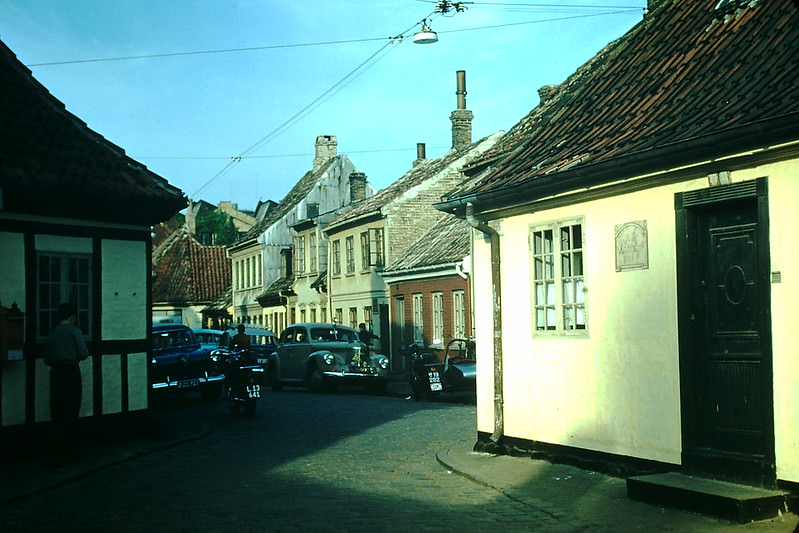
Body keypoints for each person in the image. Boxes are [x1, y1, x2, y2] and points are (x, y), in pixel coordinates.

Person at [45, 302, 89, 463]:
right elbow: (83, 354)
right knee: (71, 409)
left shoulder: (53, 333)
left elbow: (47, 359)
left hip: (56, 372)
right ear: (72, 316)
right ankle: (71, 449)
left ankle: (58, 451)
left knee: (57, 410)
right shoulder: (74, 332)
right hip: (71, 371)